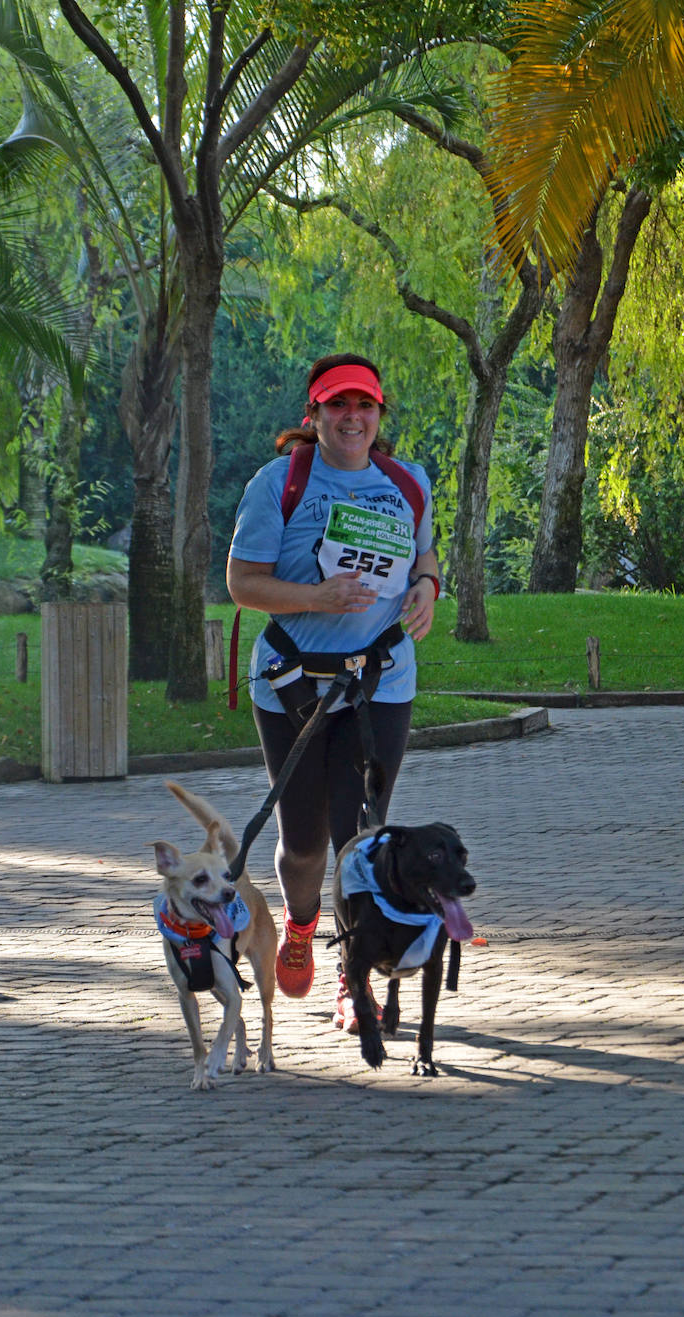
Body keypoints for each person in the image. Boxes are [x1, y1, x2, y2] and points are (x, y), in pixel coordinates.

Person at [226, 353, 440, 1030]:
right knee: (304, 844)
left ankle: (355, 977)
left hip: (380, 679)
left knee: (361, 838)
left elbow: (425, 554)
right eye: (338, 406)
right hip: (291, 680)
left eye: (365, 406)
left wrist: (428, 587)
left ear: (380, 416)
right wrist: (316, 599)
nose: (353, 418)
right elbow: (242, 583)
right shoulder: (278, 484)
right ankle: (299, 921)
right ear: (313, 415)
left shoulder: (407, 483)